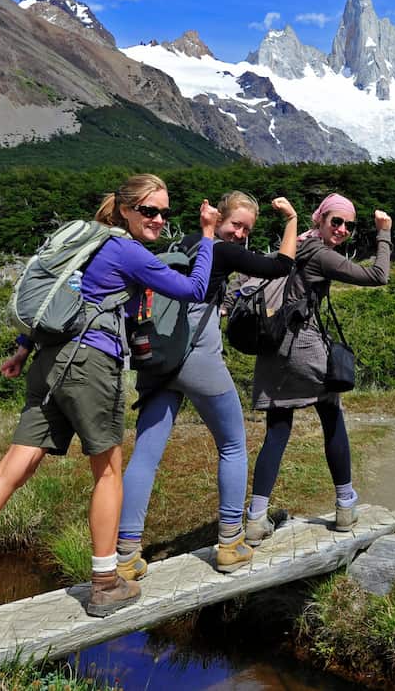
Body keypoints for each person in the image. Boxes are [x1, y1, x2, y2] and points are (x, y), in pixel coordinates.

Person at [0, 174, 219, 624]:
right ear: (125, 210)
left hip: (49, 361)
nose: (158, 219)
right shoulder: (124, 249)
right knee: (109, 471)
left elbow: (61, 296)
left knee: (10, 470)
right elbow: (194, 290)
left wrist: (22, 348)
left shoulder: (87, 244)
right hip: (90, 362)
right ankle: (105, 583)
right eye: (149, 210)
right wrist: (209, 235)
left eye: (165, 213)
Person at [116, 192, 299, 578]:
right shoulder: (221, 251)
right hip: (198, 357)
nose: (240, 235)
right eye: (237, 225)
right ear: (220, 218)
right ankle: (231, 543)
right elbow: (282, 266)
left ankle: (126, 555)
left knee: (146, 455)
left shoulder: (178, 245)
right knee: (232, 444)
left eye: (247, 230)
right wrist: (291, 220)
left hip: (159, 358)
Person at [246, 192, 391, 541]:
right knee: (331, 414)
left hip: (273, 348)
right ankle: (345, 506)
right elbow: (378, 275)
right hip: (304, 346)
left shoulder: (295, 245)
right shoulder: (320, 254)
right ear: (320, 220)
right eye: (335, 221)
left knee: (278, 429)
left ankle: (255, 518)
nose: (341, 229)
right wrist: (384, 232)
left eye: (348, 225)